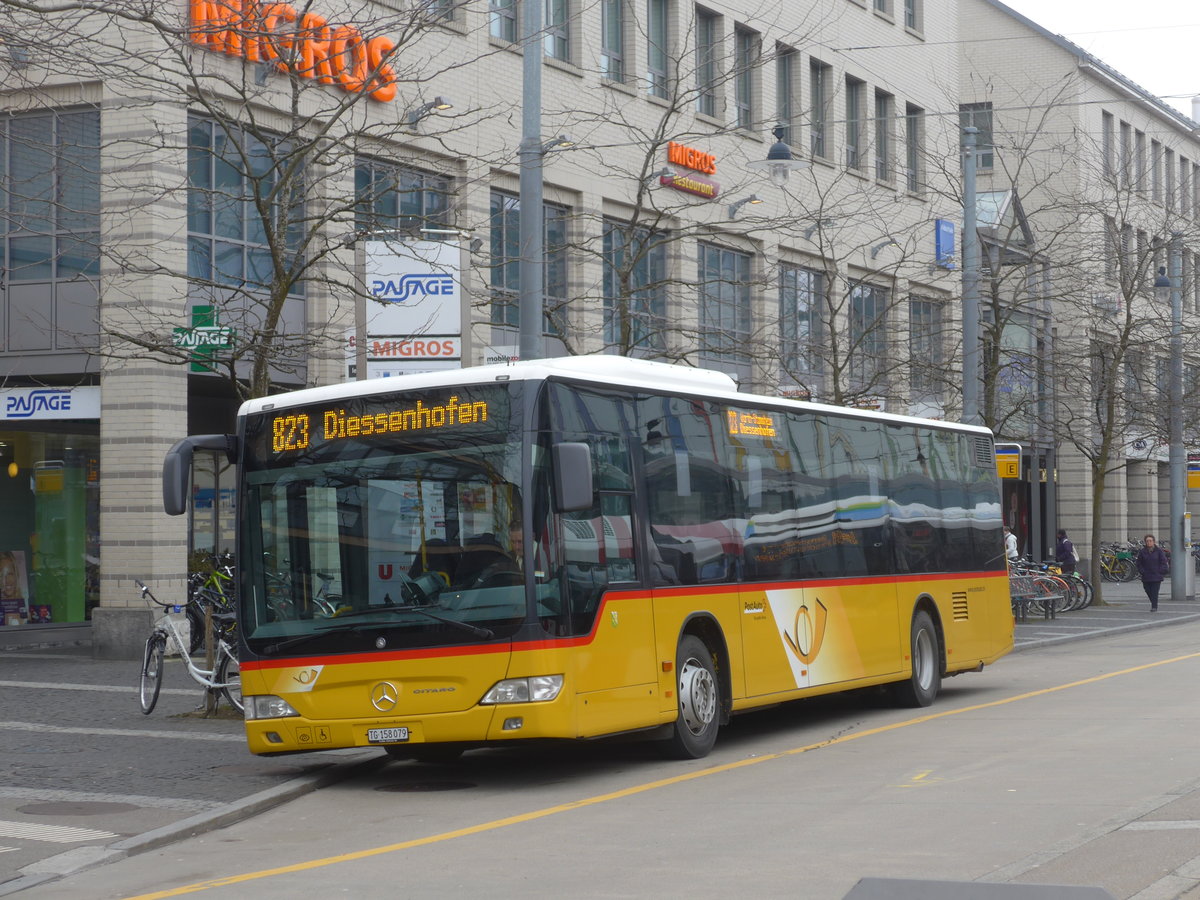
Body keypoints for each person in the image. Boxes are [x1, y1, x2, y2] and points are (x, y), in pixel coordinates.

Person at [1135, 533, 1170, 611]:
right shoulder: (1142, 552)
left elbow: (1163, 561)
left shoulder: (1159, 551)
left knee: (1154, 592)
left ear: (1153, 542)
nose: (1149, 542)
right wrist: (1142, 571)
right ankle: (1154, 602)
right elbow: (1139, 563)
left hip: (1156, 575)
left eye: (1150, 541)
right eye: (1147, 541)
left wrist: (1161, 571)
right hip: (1146, 575)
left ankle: (1154, 606)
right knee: (1147, 589)